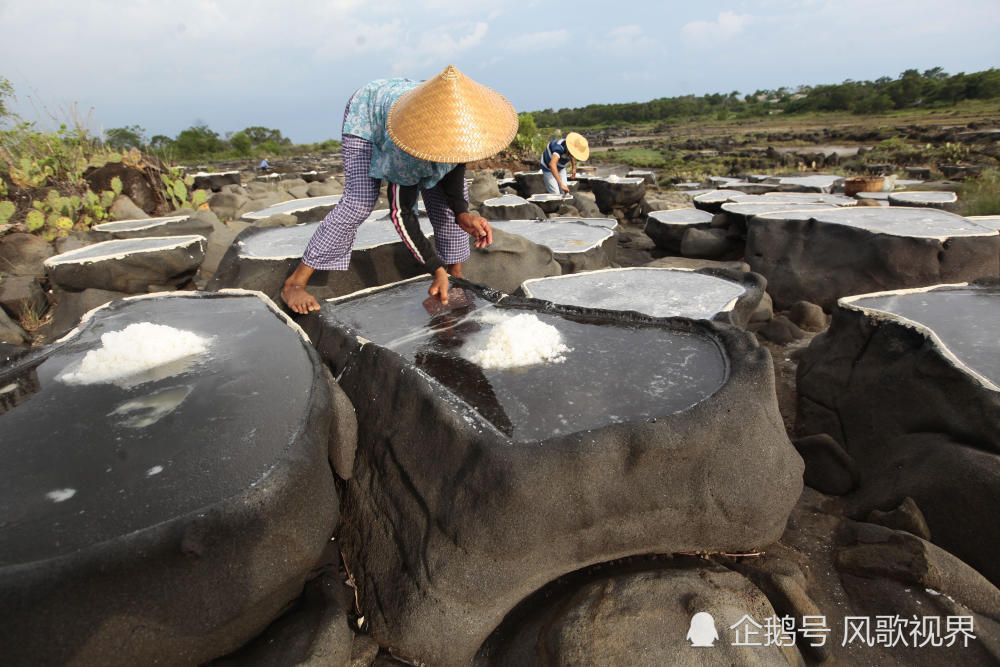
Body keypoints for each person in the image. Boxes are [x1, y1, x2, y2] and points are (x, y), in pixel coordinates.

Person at [281, 65, 518, 315]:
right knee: (359, 203)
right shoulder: (404, 146)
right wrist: (434, 268)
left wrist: (463, 213)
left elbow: (454, 168)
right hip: (369, 115)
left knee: (450, 213)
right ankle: (295, 282)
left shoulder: (457, 124)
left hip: (418, 109)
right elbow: (402, 214)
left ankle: (454, 279)